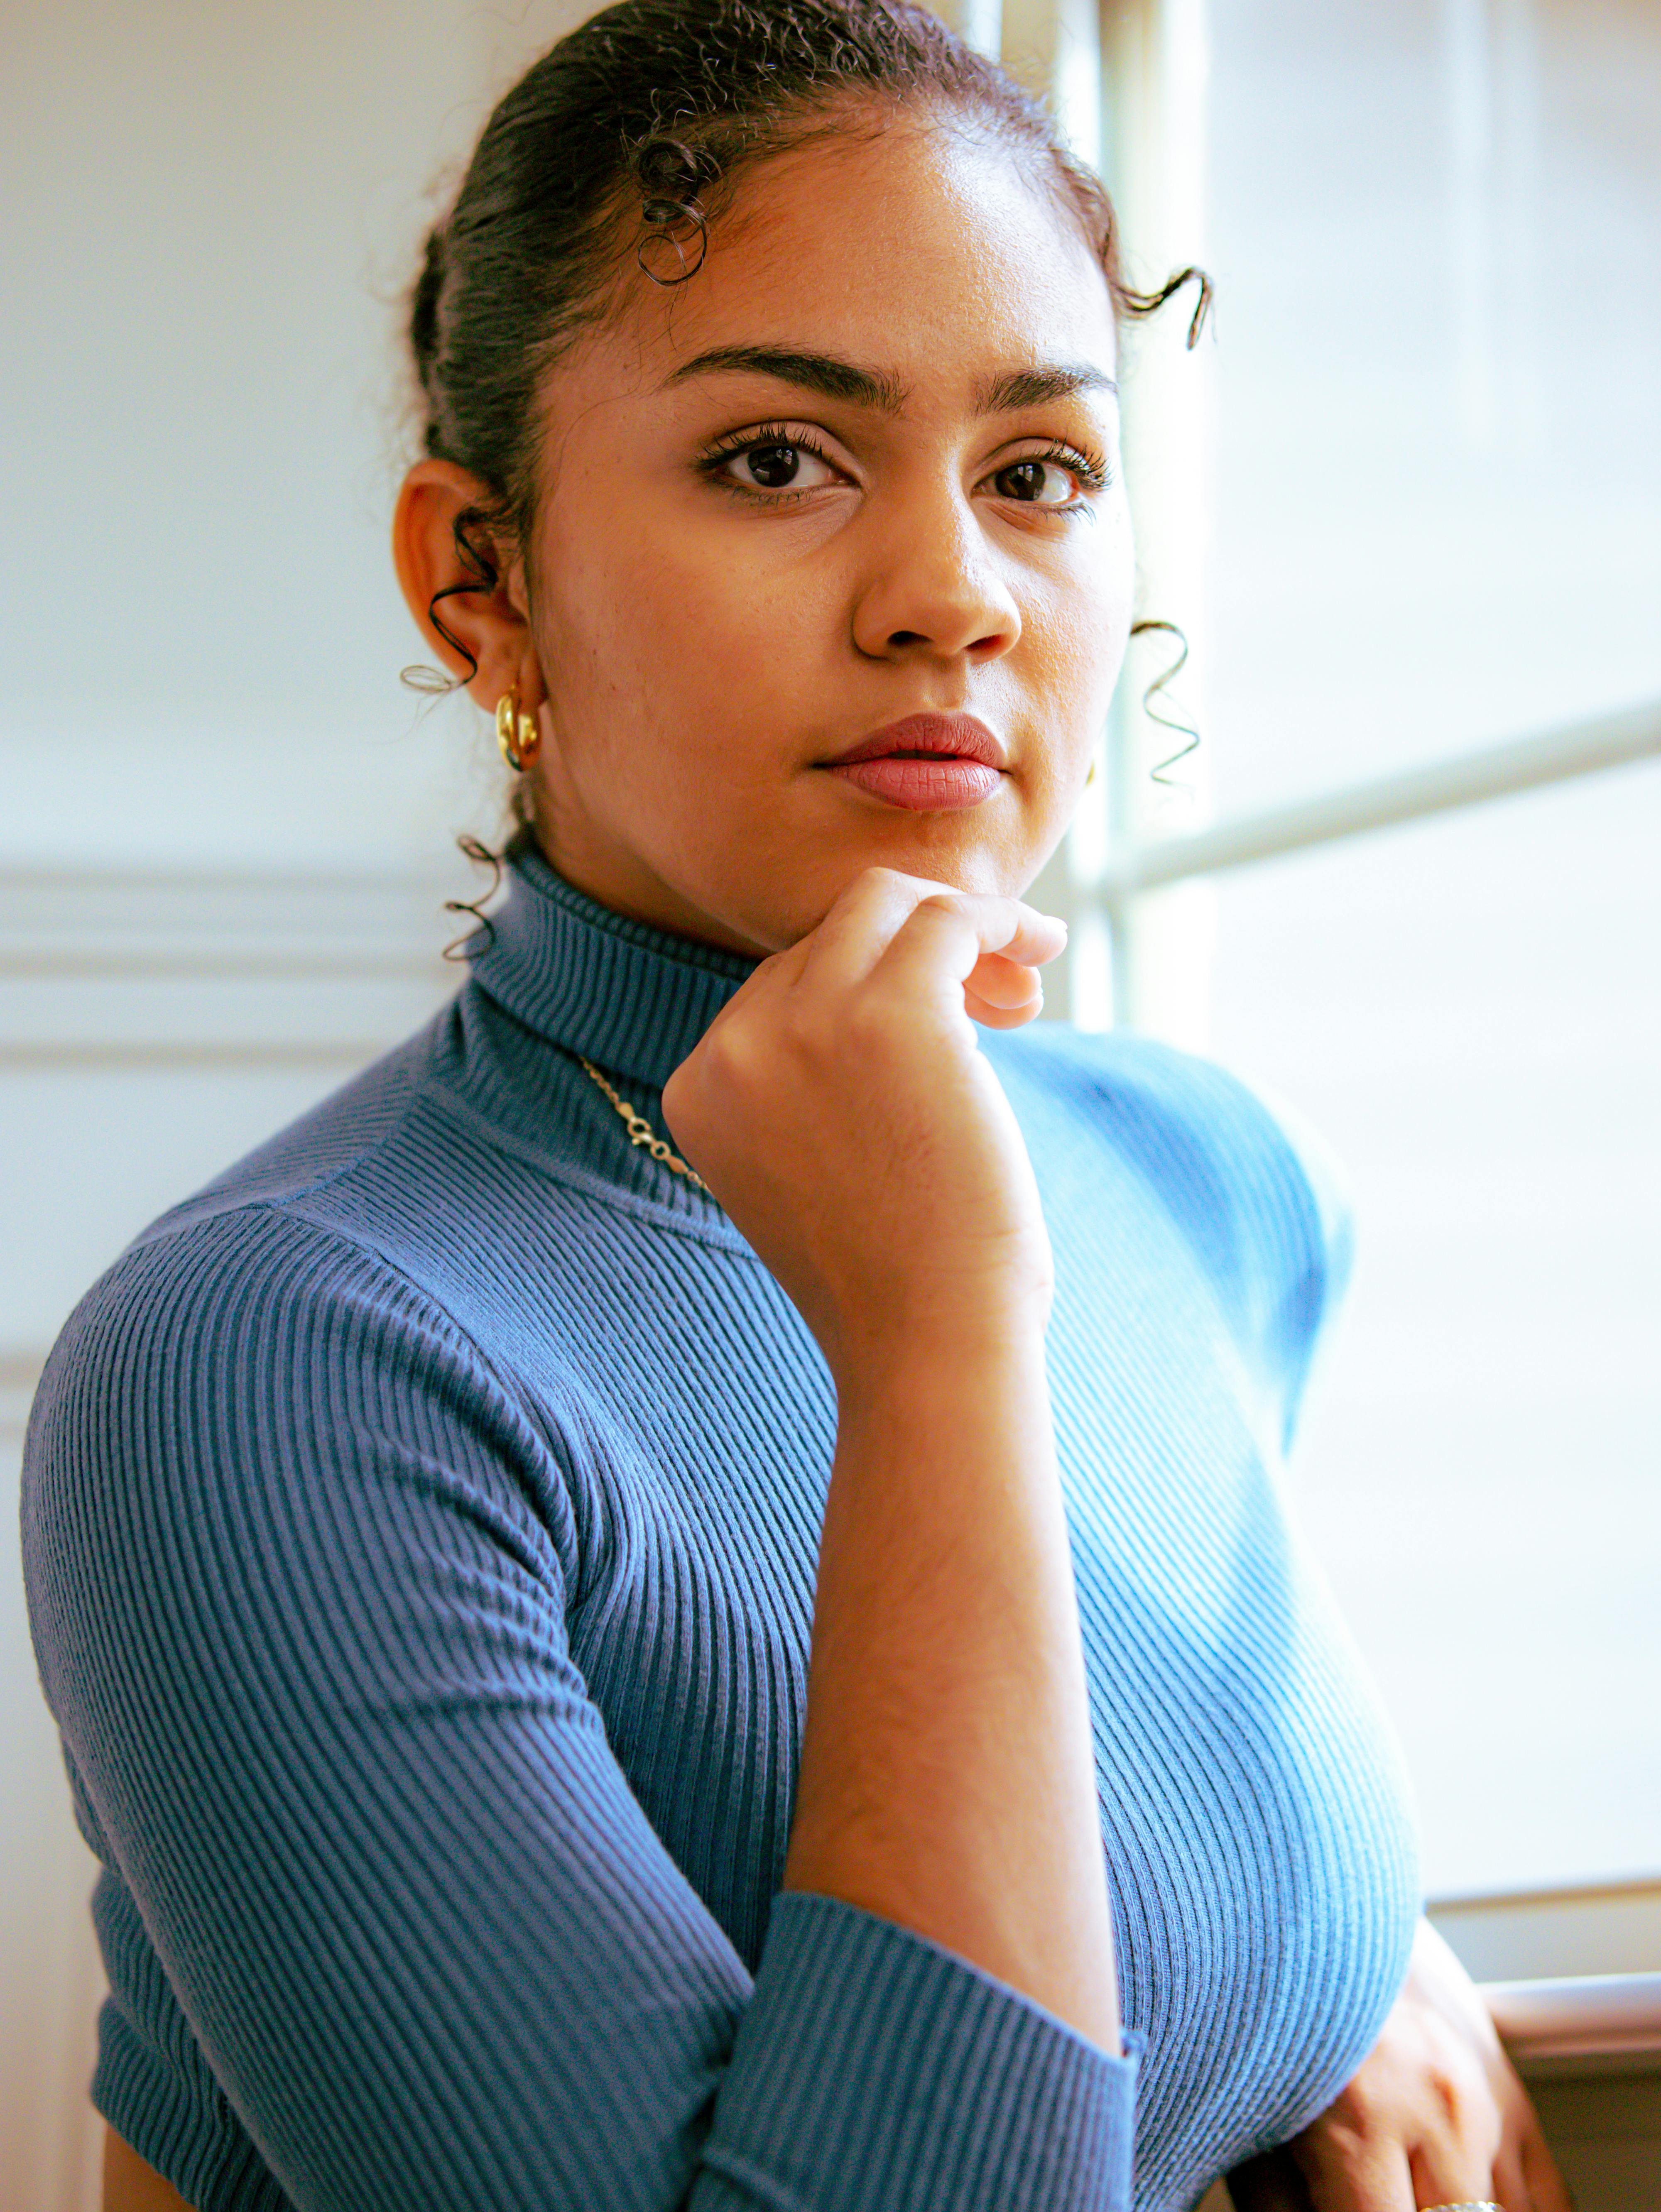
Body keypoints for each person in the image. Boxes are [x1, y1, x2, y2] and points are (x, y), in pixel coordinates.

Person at [21, 3, 1573, 2208]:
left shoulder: (1212, 1181)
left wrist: (1350, 1961)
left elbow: (1125, 1807)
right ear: (481, 587)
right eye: (777, 458)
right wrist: (940, 1342)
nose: (954, 593)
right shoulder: (267, 1370)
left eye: (1039, 472)